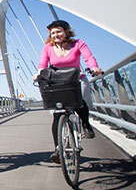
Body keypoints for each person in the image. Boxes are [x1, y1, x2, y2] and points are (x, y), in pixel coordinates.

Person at [33, 20, 103, 163]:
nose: (56, 35)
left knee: (81, 98)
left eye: (58, 31)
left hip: (76, 78)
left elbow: (88, 58)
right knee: (57, 115)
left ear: (66, 32)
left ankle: (85, 123)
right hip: (57, 81)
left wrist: (94, 68)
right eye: (53, 33)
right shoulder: (48, 47)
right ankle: (58, 149)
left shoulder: (78, 44)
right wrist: (39, 73)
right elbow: (42, 64)